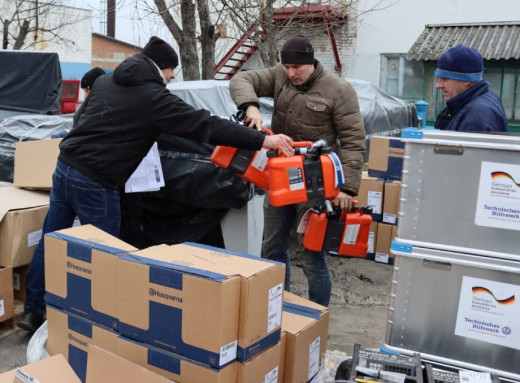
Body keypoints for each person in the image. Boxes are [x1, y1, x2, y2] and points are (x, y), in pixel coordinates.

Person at [18, 36, 294, 332]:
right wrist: (262, 139)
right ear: (161, 68)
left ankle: (33, 311)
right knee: (104, 256)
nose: (173, 76)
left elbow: (83, 120)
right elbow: (205, 125)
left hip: (64, 169)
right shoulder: (152, 97)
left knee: (51, 241)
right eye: (172, 70)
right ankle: (102, 323)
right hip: (96, 183)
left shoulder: (105, 82)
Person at [229, 34, 366, 306]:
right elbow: (241, 80)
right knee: (273, 250)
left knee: (312, 254)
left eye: (297, 68)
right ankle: (279, 312)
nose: (291, 73)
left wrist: (348, 188)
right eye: (287, 67)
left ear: (311, 63)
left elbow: (353, 141)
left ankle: (316, 316)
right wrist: (251, 106)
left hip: (317, 184)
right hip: (280, 178)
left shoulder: (339, 90)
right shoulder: (280, 75)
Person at [434, 44, 508, 132]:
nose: (438, 85)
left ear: (467, 80)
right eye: (438, 79)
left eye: (445, 79)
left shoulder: (477, 116)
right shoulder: (485, 98)